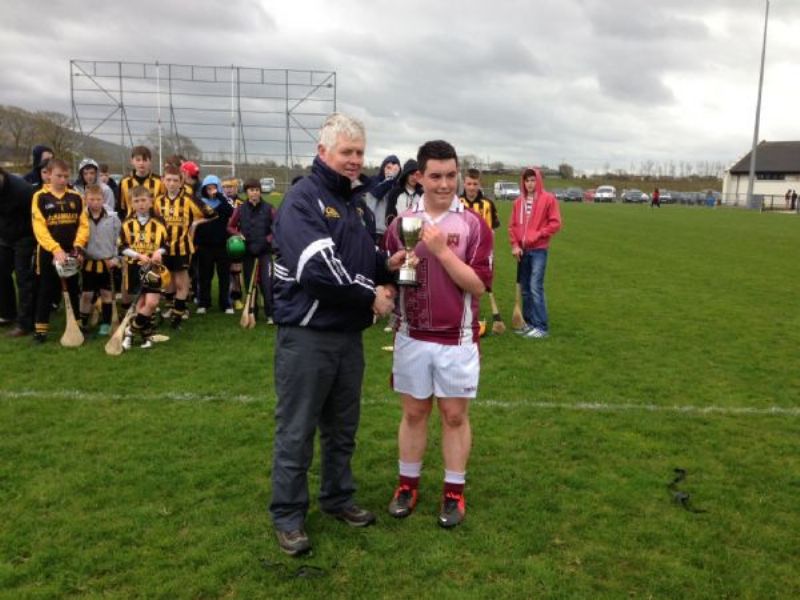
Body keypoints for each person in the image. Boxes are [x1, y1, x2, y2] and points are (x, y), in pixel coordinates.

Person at [269, 113, 403, 556]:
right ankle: (288, 516)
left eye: (360, 152)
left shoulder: (356, 202)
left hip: (347, 337)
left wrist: (389, 265)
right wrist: (372, 297)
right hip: (307, 337)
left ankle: (337, 498)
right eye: (346, 152)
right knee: (297, 429)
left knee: (343, 428)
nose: (354, 160)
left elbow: (359, 259)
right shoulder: (303, 199)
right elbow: (319, 272)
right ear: (322, 151)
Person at [384, 140, 493, 529]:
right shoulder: (402, 224)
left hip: (457, 338)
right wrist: (391, 270)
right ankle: (407, 485)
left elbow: (478, 286)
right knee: (414, 413)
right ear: (421, 177)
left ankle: (453, 492)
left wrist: (443, 252)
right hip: (412, 335)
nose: (445, 184)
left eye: (451, 175)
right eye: (436, 176)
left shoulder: (474, 226)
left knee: (453, 415)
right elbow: (393, 274)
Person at [30, 159, 89, 343]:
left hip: (71, 252)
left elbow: (83, 225)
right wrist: (55, 249)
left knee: (73, 289)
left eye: (66, 176)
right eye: (58, 176)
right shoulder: (40, 196)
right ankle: (40, 330)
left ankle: (77, 325)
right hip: (48, 253)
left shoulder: (76, 197)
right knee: (46, 289)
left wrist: (78, 247)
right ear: (48, 175)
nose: (63, 180)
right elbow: (39, 227)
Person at [155, 166, 216, 328]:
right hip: (163, 249)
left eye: (175, 180)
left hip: (182, 248)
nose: (172, 183)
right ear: (163, 180)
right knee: (167, 281)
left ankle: (177, 317)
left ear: (181, 182)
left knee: (182, 283)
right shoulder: (158, 201)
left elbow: (211, 214)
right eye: (168, 180)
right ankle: (171, 308)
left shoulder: (189, 199)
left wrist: (195, 223)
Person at [508, 167, 562, 338]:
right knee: (525, 289)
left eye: (533, 180)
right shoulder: (518, 202)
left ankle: (541, 327)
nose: (530, 184)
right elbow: (512, 227)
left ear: (538, 181)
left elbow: (555, 223)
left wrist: (537, 235)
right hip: (522, 251)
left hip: (539, 250)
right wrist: (515, 245)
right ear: (523, 182)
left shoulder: (548, 199)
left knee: (535, 287)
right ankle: (528, 323)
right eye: (527, 180)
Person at [119, 185, 169, 349]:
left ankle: (129, 332)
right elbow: (121, 247)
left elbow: (166, 245)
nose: (140, 204)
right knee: (141, 304)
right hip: (135, 268)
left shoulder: (159, 222)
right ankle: (145, 337)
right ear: (131, 204)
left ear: (150, 202)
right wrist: (138, 255)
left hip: (153, 269)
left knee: (152, 303)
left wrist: (159, 253)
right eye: (136, 201)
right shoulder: (127, 223)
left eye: (143, 200)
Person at [227, 179, 276, 322]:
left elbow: (277, 227)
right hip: (248, 252)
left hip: (265, 252)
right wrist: (237, 234)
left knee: (266, 283)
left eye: (256, 190)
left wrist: (268, 239)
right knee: (249, 282)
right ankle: (251, 311)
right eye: (251, 190)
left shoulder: (269, 208)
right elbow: (230, 226)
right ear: (247, 192)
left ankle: (270, 314)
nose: (254, 193)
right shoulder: (240, 209)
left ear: (260, 192)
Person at [460, 168, 500, 336]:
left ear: (479, 184)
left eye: (475, 184)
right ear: (464, 183)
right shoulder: (457, 202)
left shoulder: (487, 204)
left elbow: (493, 229)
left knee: (480, 283)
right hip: (462, 249)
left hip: (483, 251)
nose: (471, 187)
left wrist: (490, 247)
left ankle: (474, 317)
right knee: (462, 282)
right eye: (469, 183)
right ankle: (462, 316)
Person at [78, 184, 121, 336]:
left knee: (106, 294)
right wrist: (79, 254)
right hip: (89, 262)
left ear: (103, 199)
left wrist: (116, 258)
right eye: (91, 199)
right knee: (86, 294)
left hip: (107, 262)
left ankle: (106, 322)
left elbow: (119, 241)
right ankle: (82, 323)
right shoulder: (81, 217)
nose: (95, 203)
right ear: (85, 199)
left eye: (98, 199)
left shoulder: (113, 217)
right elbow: (78, 240)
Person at [0, 167, 35, 336]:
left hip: (25, 236)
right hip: (4, 236)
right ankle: (8, 313)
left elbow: (35, 216)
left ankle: (25, 323)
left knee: (23, 278)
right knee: (2, 272)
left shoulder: (21, 189)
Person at [194, 174, 234, 314]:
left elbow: (231, 212)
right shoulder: (199, 203)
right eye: (208, 188)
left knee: (224, 276)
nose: (211, 191)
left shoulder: (224, 203)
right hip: (205, 246)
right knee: (204, 276)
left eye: (214, 188)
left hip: (222, 245)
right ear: (204, 189)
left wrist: (220, 197)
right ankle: (203, 303)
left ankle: (226, 304)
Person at [362, 154, 401, 247]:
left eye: (395, 169)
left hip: (391, 233)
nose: (390, 171)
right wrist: (390, 178)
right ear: (383, 167)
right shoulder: (374, 181)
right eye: (388, 167)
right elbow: (378, 193)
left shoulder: (397, 186)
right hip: (373, 230)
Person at [119, 146, 165, 217]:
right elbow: (121, 207)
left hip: (153, 222)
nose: (141, 163)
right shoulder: (124, 181)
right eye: (138, 160)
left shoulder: (159, 181)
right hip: (131, 223)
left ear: (150, 161)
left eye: (145, 160)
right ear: (131, 161)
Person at [385, 159, 423, 224]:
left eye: (416, 174)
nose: (414, 177)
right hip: (397, 231)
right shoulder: (394, 193)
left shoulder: (422, 194)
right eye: (411, 174)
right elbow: (389, 217)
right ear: (406, 175)